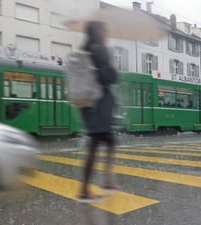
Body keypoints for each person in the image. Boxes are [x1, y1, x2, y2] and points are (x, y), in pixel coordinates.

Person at [78, 21, 118, 203]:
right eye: (104, 30)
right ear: (98, 32)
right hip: (99, 105)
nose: (106, 33)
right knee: (96, 145)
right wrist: (112, 69)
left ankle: (106, 180)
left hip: (88, 104)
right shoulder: (99, 50)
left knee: (108, 141)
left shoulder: (85, 49)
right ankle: (85, 189)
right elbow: (107, 77)